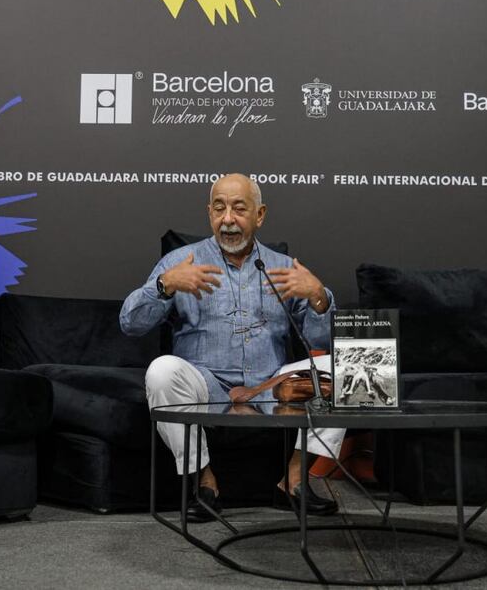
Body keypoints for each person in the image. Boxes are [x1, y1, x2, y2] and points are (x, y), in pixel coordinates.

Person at [120, 173, 345, 521]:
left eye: (239, 209)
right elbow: (130, 323)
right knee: (161, 371)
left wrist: (318, 298)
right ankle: (203, 483)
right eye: (219, 208)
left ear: (260, 215)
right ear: (209, 212)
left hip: (270, 385)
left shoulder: (283, 268)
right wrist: (165, 285)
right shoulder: (181, 262)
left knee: (344, 370)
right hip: (205, 383)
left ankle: (294, 481)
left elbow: (320, 341)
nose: (228, 219)